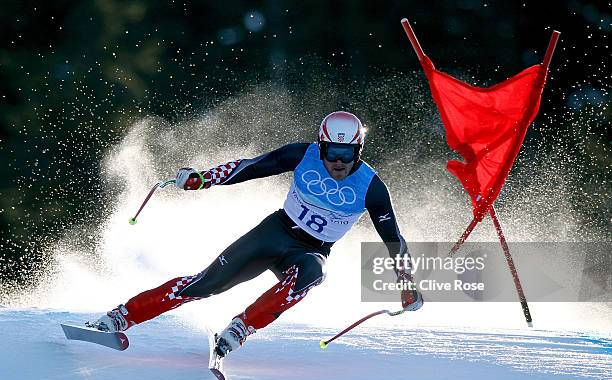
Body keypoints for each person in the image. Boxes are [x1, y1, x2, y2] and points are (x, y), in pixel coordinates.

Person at [89, 111, 423, 357]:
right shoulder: (301, 154)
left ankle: (241, 327)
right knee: (207, 284)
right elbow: (249, 167)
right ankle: (119, 318)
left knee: (314, 273)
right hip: (274, 233)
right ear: (321, 146)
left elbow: (394, 241)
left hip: (310, 251)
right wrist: (201, 179)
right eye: (332, 154)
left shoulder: (371, 187)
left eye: (347, 154)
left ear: (358, 151)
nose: (338, 163)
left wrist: (407, 285)